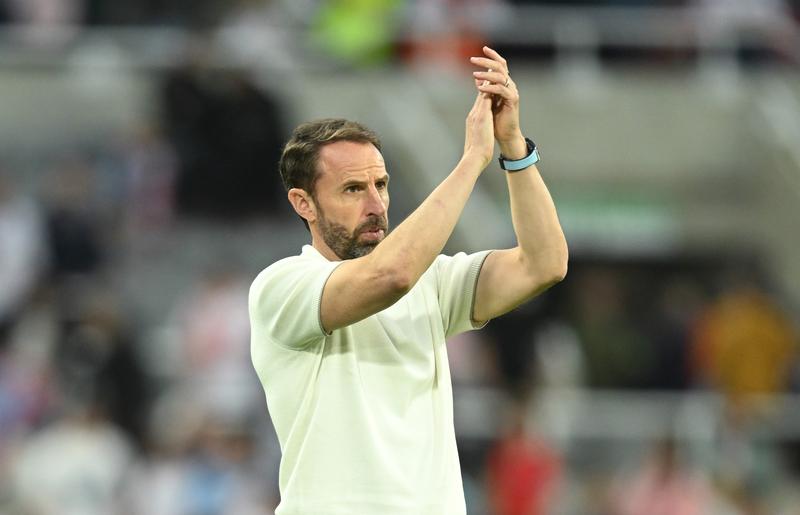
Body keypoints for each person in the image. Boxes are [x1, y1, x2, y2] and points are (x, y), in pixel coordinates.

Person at [249, 46, 568, 515]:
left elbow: (544, 264)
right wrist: (469, 162)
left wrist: (513, 147)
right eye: (353, 189)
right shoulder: (282, 287)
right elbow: (391, 275)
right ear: (303, 203)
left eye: (381, 184)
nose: (376, 204)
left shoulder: (433, 282)